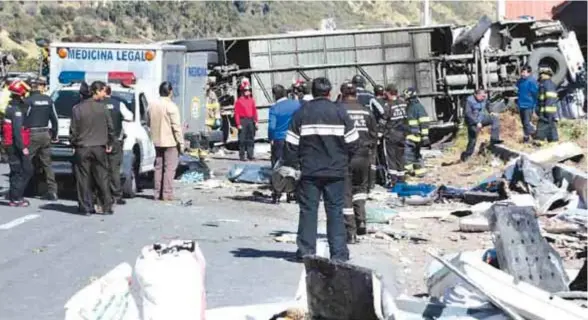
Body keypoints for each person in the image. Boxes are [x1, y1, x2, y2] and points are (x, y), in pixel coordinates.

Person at [283, 77, 358, 262]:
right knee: (335, 212)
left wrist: (293, 167)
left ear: (313, 92)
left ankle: (306, 251)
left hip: (309, 172)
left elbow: (290, 145)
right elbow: (354, 142)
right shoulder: (339, 112)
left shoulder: (302, 113)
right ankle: (338, 254)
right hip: (336, 172)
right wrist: (343, 159)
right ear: (329, 92)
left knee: (308, 211)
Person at [338, 82, 377, 244]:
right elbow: (374, 135)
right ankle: (361, 220)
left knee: (346, 193)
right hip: (364, 155)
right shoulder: (366, 111)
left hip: (346, 156)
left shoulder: (339, 110)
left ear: (342, 94)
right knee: (360, 189)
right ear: (356, 94)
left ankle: (350, 231)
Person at [70, 81, 115, 215]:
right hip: (99, 148)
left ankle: (85, 207)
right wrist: (110, 143)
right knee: (102, 177)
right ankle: (106, 206)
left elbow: (73, 131)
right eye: (102, 91)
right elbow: (110, 128)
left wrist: (74, 144)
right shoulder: (103, 108)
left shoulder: (77, 109)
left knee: (83, 179)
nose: (103, 94)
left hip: (82, 147)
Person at [148, 81, 184, 201]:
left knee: (158, 167)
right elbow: (176, 127)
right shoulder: (171, 106)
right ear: (170, 92)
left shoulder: (152, 105)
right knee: (169, 168)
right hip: (170, 142)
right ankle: (167, 194)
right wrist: (181, 143)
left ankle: (157, 193)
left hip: (157, 140)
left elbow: (147, 121)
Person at [23, 77, 59, 200]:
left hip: (31, 134)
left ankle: (24, 188)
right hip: (45, 134)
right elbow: (54, 119)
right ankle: (52, 190)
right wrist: (54, 135)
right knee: (47, 164)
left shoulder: (28, 101)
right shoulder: (48, 100)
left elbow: (23, 119)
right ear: (41, 87)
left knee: (26, 161)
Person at [268, 84, 300, 203]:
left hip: (280, 139)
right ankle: (292, 192)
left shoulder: (275, 108)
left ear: (275, 95)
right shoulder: (296, 104)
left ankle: (277, 192)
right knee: (294, 165)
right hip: (295, 138)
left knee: (278, 166)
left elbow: (272, 126)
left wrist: (271, 138)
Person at [101, 85, 133, 206]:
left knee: (101, 169)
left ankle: (102, 194)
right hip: (115, 141)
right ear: (111, 92)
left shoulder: (97, 104)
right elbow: (130, 117)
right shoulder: (118, 104)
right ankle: (116, 195)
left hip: (99, 141)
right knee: (114, 169)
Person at [2, 80, 33, 207]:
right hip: (16, 146)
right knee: (25, 171)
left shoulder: (10, 106)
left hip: (10, 145)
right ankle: (16, 197)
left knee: (16, 171)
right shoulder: (16, 110)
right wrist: (23, 148)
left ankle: (14, 196)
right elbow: (17, 131)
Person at [460, 89, 503, 161]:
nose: (484, 98)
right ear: (477, 95)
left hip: (481, 118)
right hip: (472, 121)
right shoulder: (469, 100)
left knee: (495, 119)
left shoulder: (484, 98)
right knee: (473, 140)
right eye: (482, 96)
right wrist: (476, 122)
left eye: (485, 96)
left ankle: (494, 139)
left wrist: (491, 111)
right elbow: (468, 113)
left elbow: (487, 104)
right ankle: (466, 155)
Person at [381, 84, 407, 186]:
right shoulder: (404, 103)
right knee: (400, 158)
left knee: (391, 159)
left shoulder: (388, 105)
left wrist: (379, 133)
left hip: (391, 136)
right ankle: (402, 179)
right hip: (402, 134)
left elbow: (383, 121)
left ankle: (394, 181)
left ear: (388, 93)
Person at [403, 87, 430, 178]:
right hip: (413, 135)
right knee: (415, 155)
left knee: (408, 155)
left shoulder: (416, 107)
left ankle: (408, 173)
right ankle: (420, 172)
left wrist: (425, 136)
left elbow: (424, 121)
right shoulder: (412, 106)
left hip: (413, 135)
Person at [234, 82, 257, 161]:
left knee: (251, 138)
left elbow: (254, 111)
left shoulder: (252, 100)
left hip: (250, 120)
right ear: (243, 92)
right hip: (242, 120)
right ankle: (242, 155)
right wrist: (238, 124)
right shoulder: (239, 101)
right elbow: (236, 113)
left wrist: (256, 121)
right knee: (242, 139)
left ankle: (250, 155)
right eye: (246, 90)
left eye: (248, 90)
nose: (248, 91)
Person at [535, 66, 559, 143]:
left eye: (542, 74)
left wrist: (547, 112)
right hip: (545, 111)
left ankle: (539, 141)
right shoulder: (543, 84)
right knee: (550, 126)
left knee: (542, 127)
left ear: (547, 75)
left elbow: (550, 99)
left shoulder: (548, 84)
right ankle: (553, 141)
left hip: (547, 111)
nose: (540, 75)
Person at [516, 65, 539, 143]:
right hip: (521, 105)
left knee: (527, 123)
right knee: (524, 123)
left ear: (529, 73)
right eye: (522, 72)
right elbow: (517, 90)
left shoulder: (532, 81)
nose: (522, 74)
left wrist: (535, 105)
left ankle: (536, 136)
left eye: (524, 72)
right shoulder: (520, 81)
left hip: (528, 105)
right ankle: (526, 139)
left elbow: (535, 94)